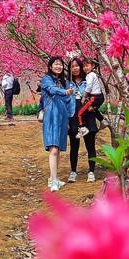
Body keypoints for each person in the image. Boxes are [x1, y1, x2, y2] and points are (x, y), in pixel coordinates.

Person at [41, 57, 74, 192]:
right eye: (56, 64)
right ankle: (54, 180)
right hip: (51, 116)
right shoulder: (46, 79)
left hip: (62, 117)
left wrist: (69, 116)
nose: (58, 66)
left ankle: (53, 177)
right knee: (53, 148)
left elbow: (69, 100)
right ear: (50, 66)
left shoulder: (64, 82)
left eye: (60, 64)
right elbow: (52, 89)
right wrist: (65, 92)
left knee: (58, 148)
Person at [67, 58, 91, 183]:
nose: (75, 68)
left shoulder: (89, 80)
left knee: (89, 144)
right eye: (72, 66)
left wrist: (93, 106)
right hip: (73, 116)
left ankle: (91, 171)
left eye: (77, 66)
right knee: (74, 145)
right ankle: (73, 171)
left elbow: (98, 95)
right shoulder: (68, 83)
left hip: (87, 116)